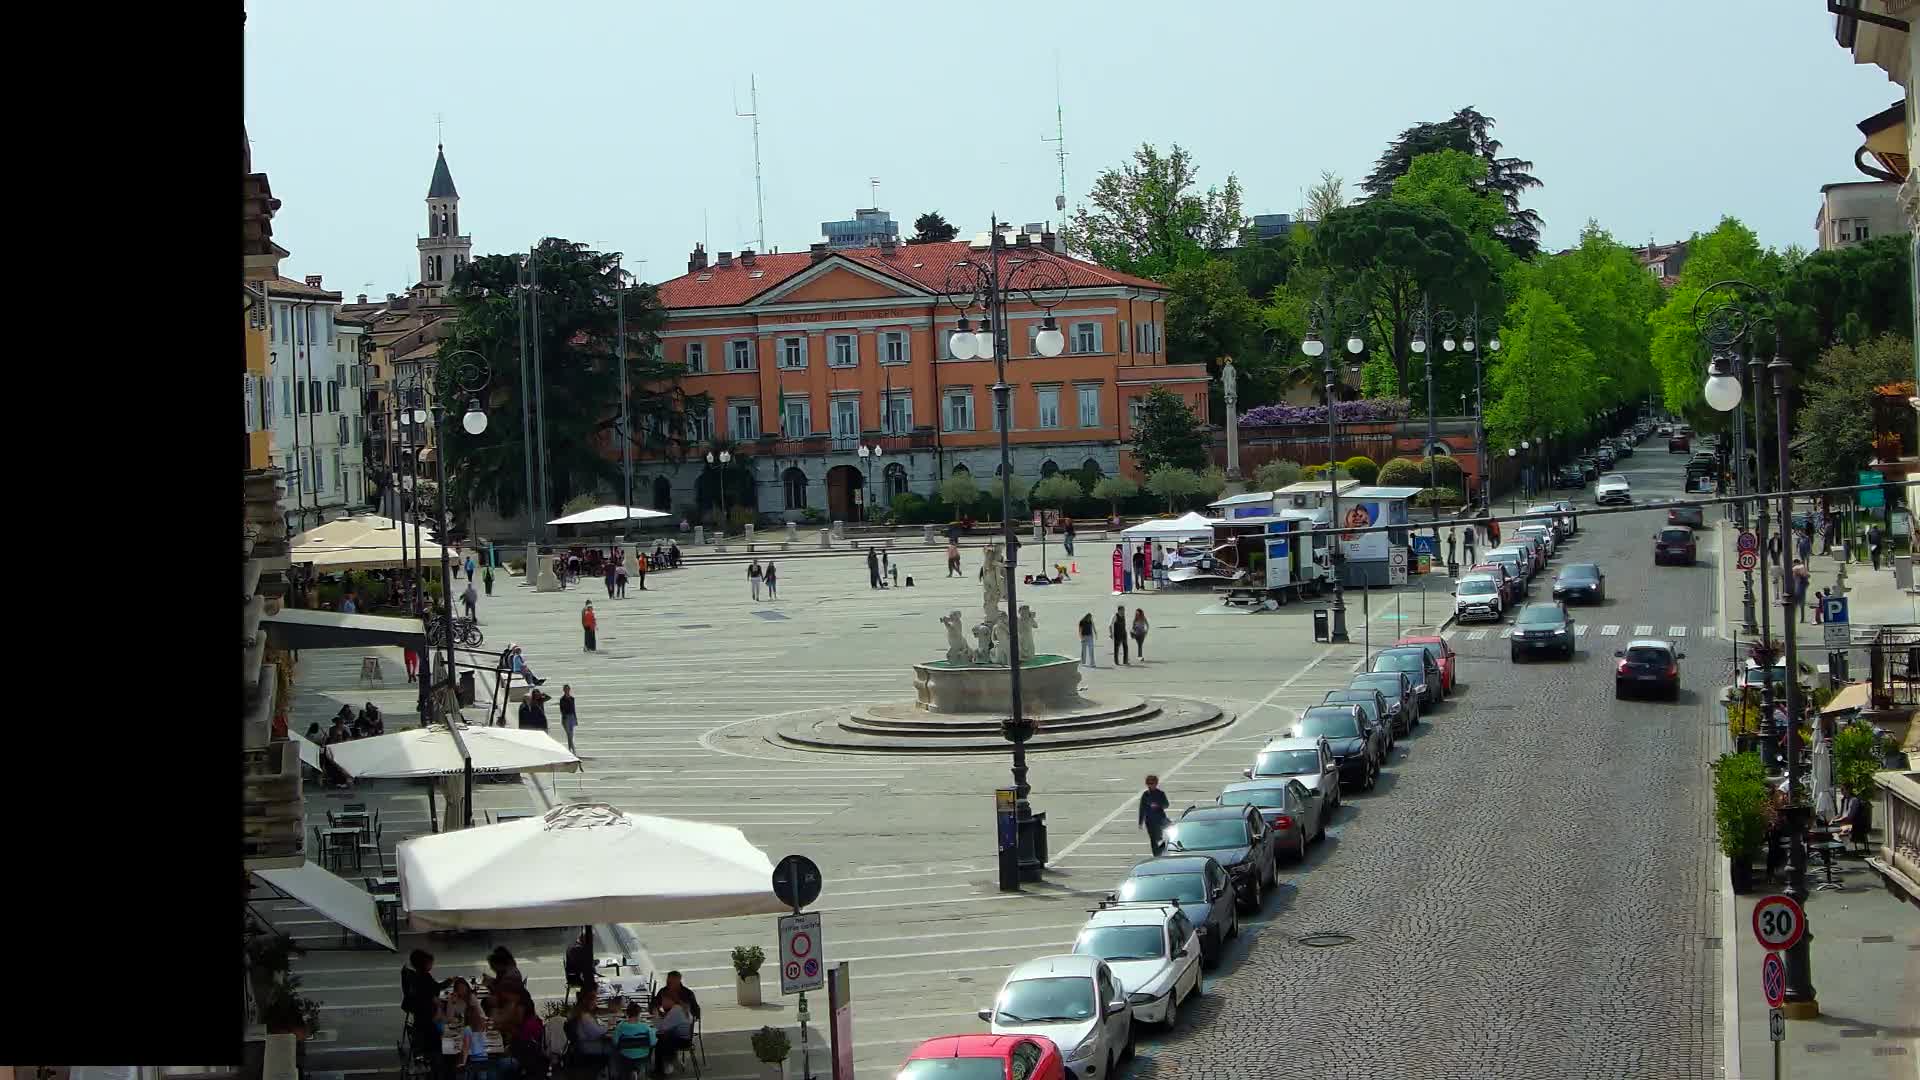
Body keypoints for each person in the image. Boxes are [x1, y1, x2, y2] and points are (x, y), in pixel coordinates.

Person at [402, 949, 451, 1075]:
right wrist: (450, 981)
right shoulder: (424, 977)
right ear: (424, 964)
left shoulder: (416, 975)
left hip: (419, 1015)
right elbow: (436, 989)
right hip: (427, 1018)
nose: (432, 965)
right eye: (430, 963)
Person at [651, 971, 700, 1070]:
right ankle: (670, 1060)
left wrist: (660, 1017)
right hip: (677, 1027)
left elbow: (661, 1028)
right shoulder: (665, 991)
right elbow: (654, 1003)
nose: (668, 985)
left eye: (671, 982)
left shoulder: (687, 994)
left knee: (660, 1037)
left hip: (681, 1035)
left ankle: (663, 1067)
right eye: (668, 982)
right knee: (663, 1035)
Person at [610, 1001, 657, 1080]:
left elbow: (615, 1042)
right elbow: (652, 1043)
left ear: (627, 1014)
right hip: (642, 1056)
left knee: (614, 1050)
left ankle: (618, 1074)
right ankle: (641, 1071)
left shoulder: (620, 1026)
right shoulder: (645, 1027)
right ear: (639, 1014)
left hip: (625, 1056)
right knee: (650, 1049)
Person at [1138, 775, 1170, 856]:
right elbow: (1142, 808)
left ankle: (1162, 849)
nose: (1150, 785)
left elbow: (1166, 804)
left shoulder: (1161, 793)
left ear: (1156, 784)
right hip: (1150, 821)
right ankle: (1156, 855)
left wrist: (1158, 805)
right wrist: (1140, 822)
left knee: (1162, 837)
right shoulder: (1145, 795)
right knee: (1153, 839)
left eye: (1152, 783)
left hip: (1160, 820)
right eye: (1149, 783)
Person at [559, 685, 579, 753]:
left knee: (571, 734)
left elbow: (573, 709)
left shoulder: (572, 698)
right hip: (566, 718)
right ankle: (573, 750)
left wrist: (575, 719)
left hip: (572, 717)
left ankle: (570, 749)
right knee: (569, 734)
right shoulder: (562, 699)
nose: (567, 690)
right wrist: (564, 719)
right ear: (563, 690)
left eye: (568, 689)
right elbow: (562, 710)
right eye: (565, 689)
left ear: (569, 689)